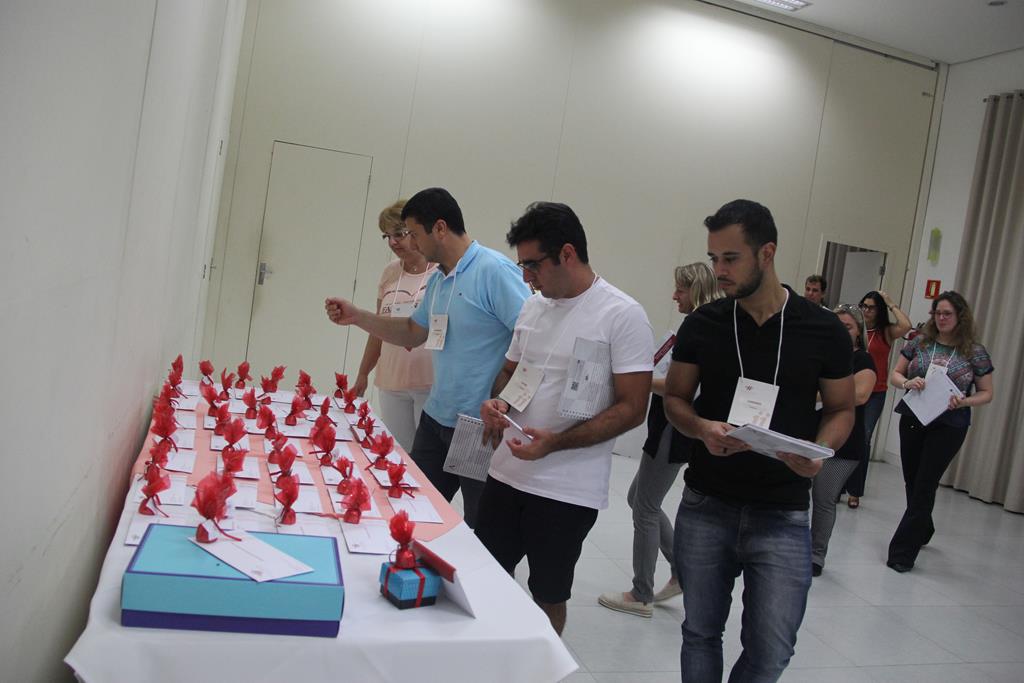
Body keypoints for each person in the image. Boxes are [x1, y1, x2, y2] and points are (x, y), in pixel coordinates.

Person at [663, 199, 854, 682]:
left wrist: (819, 452)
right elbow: (677, 400)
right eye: (714, 258)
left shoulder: (823, 329)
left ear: (766, 253)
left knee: (772, 651)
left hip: (783, 510)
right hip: (707, 503)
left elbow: (841, 409)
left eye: (731, 258)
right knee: (700, 633)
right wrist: (702, 428)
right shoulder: (704, 323)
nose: (719, 271)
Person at [475, 201, 653, 635]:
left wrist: (555, 443)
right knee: (487, 578)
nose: (526, 278)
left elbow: (633, 407)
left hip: (566, 489)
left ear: (567, 254)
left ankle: (542, 664)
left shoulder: (622, 315)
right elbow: (510, 372)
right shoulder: (534, 307)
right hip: (505, 473)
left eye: (532, 265)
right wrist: (497, 403)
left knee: (548, 593)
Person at [325, 188, 529, 527]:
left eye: (414, 233)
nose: (410, 243)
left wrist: (507, 400)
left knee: (481, 526)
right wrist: (358, 317)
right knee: (414, 514)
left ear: (440, 228)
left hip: (476, 426)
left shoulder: (493, 271)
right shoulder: (439, 280)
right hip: (436, 418)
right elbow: (412, 331)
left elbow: (533, 340)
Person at [598, 262, 723, 617]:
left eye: (681, 289)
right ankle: (681, 571)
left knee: (646, 507)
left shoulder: (702, 330)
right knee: (638, 497)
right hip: (665, 427)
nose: (674, 296)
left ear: (696, 289)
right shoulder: (698, 327)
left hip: (673, 429)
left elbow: (678, 386)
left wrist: (633, 380)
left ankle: (642, 593)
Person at [886, 291, 994, 573]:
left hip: (949, 424)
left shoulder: (974, 351)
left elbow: (986, 393)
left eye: (947, 314)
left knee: (925, 483)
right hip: (914, 416)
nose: (941, 318)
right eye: (937, 313)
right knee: (913, 480)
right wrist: (907, 383)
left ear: (960, 317)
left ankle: (902, 553)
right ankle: (923, 527)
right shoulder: (920, 342)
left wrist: (964, 401)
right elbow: (895, 374)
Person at [350, 200, 438, 452]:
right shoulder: (390, 273)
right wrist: (363, 372)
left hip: (430, 381)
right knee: (398, 454)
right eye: (387, 236)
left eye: (398, 234)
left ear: (416, 232)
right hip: (391, 380)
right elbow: (378, 328)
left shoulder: (439, 273)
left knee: (425, 458)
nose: (393, 242)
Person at [809, 304, 876, 576]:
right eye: (837, 325)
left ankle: (816, 555)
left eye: (847, 326)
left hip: (844, 443)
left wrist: (817, 395)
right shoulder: (822, 355)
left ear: (859, 331)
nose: (841, 331)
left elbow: (860, 395)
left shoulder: (863, 360)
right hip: (812, 435)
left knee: (824, 497)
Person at [845, 290, 911, 508]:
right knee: (843, 434)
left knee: (863, 438)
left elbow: (906, 325)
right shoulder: (854, 329)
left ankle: (855, 491)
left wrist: (890, 303)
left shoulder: (885, 332)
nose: (866, 310)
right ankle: (837, 484)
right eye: (863, 306)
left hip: (875, 392)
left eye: (871, 307)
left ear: (879, 310)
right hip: (850, 389)